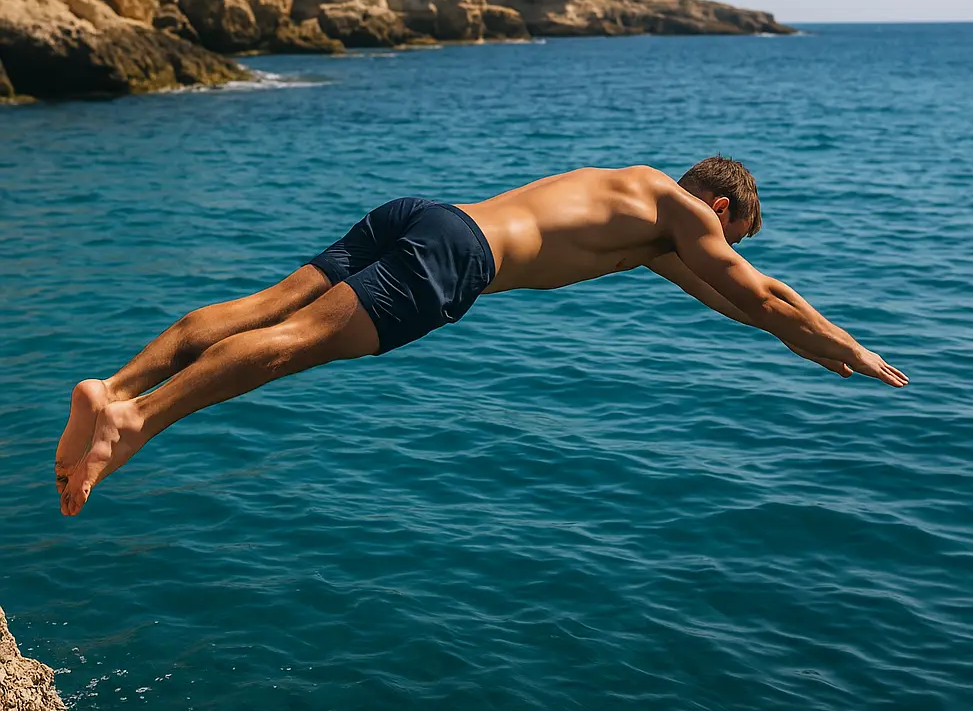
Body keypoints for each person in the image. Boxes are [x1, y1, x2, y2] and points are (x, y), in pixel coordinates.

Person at [55, 156, 907, 516]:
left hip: (425, 211)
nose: (722, 251)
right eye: (732, 236)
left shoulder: (639, 203)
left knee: (259, 307)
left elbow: (736, 306)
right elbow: (764, 297)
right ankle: (136, 422)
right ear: (719, 210)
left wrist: (803, 344)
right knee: (294, 344)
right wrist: (852, 349)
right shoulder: (686, 217)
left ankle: (115, 387)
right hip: (458, 256)